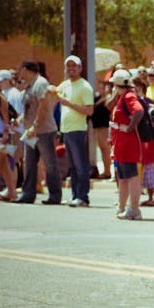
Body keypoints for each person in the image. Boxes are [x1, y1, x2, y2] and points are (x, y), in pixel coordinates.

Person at [15, 60, 62, 205]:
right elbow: (30, 108)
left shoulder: (41, 83)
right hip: (31, 132)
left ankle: (54, 196)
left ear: (25, 69)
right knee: (29, 163)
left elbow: (43, 106)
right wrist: (19, 120)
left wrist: (35, 126)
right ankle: (28, 194)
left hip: (43, 131)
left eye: (20, 70)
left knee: (49, 163)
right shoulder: (30, 85)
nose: (19, 73)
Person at [56, 55, 94, 207]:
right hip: (66, 129)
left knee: (80, 165)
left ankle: (83, 197)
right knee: (72, 165)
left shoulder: (84, 86)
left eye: (74, 66)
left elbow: (89, 111)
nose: (71, 69)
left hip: (78, 130)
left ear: (80, 68)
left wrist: (69, 104)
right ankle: (75, 195)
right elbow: (54, 92)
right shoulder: (65, 85)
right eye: (68, 66)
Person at [106, 70, 144, 220]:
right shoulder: (121, 97)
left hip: (128, 144)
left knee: (132, 176)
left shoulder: (128, 96)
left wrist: (129, 127)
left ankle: (134, 208)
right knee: (122, 177)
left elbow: (139, 111)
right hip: (120, 144)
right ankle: (122, 206)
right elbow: (108, 106)